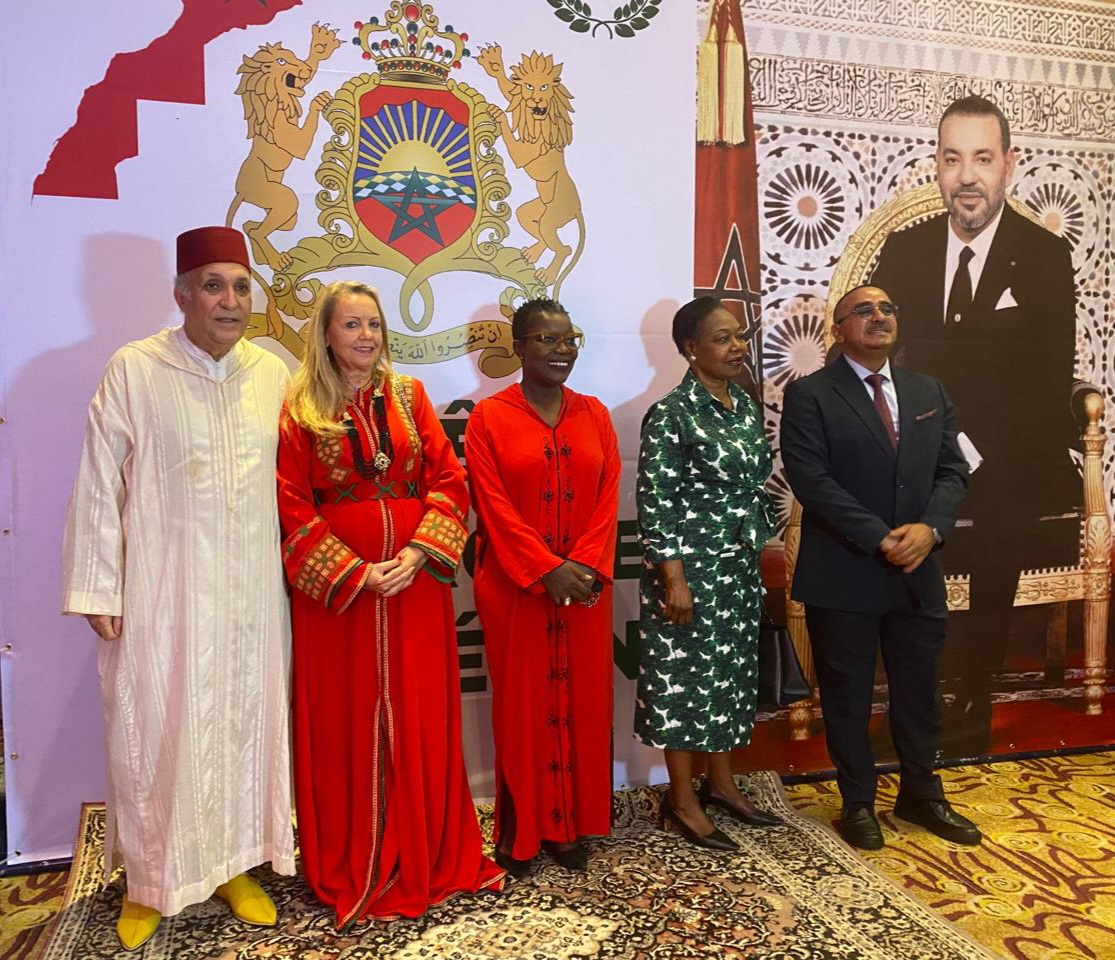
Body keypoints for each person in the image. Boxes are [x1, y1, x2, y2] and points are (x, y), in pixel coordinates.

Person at [61, 226, 296, 949]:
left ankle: (234, 867)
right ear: (182, 294)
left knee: (242, 726)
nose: (230, 301)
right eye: (213, 286)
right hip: (162, 593)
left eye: (241, 287)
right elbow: (99, 482)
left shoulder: (271, 373)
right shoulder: (135, 369)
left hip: (252, 596)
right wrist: (98, 586)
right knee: (154, 732)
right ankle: (150, 882)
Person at [276, 280, 503, 927]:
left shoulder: (410, 397)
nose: (365, 336)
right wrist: (352, 572)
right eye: (351, 325)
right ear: (326, 335)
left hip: (413, 588)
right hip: (339, 603)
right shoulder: (299, 409)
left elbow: (449, 478)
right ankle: (354, 858)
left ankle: (428, 853)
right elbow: (290, 502)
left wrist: (419, 553)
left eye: (373, 324)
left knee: (420, 713)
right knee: (343, 721)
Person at [871, 95, 1079, 755]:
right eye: (952, 158)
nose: (967, 177)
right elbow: (877, 357)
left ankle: (971, 694)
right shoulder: (904, 251)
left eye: (982, 159)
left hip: (1010, 451)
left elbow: (1047, 382)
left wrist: (968, 450)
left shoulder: (1043, 257)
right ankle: (911, 693)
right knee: (877, 499)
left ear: (1008, 165)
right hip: (920, 443)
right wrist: (924, 442)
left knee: (999, 503)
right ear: (936, 165)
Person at [780, 283, 981, 850]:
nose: (878, 316)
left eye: (888, 308)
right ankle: (857, 802)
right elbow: (812, 480)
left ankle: (921, 793)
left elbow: (953, 470)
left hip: (918, 568)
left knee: (919, 690)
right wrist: (880, 537)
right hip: (845, 570)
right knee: (846, 696)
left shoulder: (927, 390)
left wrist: (930, 529)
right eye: (863, 310)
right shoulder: (810, 395)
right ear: (838, 328)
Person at [465, 298, 620, 876]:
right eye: (547, 339)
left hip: (584, 587)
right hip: (516, 588)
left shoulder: (595, 414)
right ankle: (523, 831)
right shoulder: (488, 418)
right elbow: (492, 506)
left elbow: (608, 495)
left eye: (569, 338)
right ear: (519, 347)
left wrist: (583, 565)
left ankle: (569, 825)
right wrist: (543, 568)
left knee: (582, 703)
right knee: (523, 709)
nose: (562, 349)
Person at [635, 296, 781, 852]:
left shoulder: (742, 406)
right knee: (684, 683)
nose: (737, 346)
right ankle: (681, 799)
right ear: (690, 348)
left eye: (739, 335)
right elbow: (656, 502)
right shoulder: (671, 413)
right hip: (689, 572)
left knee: (729, 679)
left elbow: (753, 484)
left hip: (736, 568)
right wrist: (674, 579)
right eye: (722, 338)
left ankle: (721, 784)